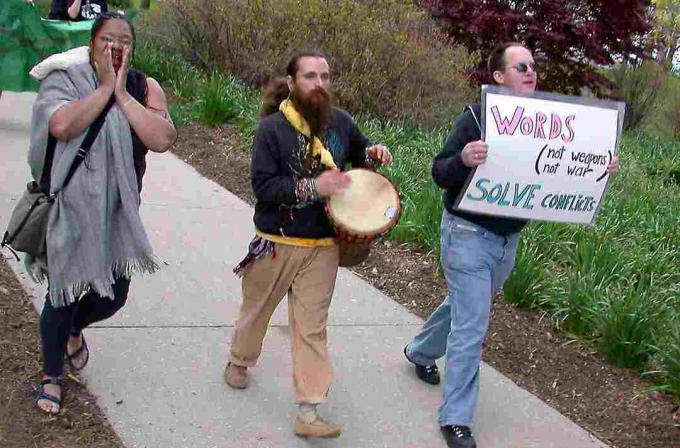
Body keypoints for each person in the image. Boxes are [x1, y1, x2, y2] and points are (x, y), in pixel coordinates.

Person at [402, 42, 620, 448]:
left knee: (466, 308)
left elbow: (563, 173)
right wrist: (463, 159)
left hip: (507, 241)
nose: (531, 71)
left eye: (534, 66)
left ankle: (419, 350)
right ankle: (456, 419)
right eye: (521, 66)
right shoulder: (475, 117)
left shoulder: (553, 122)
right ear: (499, 76)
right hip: (467, 235)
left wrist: (598, 166)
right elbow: (439, 172)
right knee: (473, 323)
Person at [225, 49, 393, 439]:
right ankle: (240, 358)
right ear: (292, 82)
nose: (320, 84)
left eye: (325, 76)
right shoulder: (272, 130)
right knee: (257, 311)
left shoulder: (342, 123)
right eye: (310, 76)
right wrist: (313, 187)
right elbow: (264, 188)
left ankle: (309, 408)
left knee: (312, 328)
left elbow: (358, 155)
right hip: (275, 241)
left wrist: (373, 154)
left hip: (322, 245)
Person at [28, 11, 176, 415]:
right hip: (70, 208)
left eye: (125, 40)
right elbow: (61, 125)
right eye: (108, 38)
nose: (116, 46)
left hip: (120, 212)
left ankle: (75, 328)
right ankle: (52, 375)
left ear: (133, 48)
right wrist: (103, 89)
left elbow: (162, 138)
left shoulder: (144, 87)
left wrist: (121, 94)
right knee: (63, 295)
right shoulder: (66, 77)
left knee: (114, 296)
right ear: (92, 42)